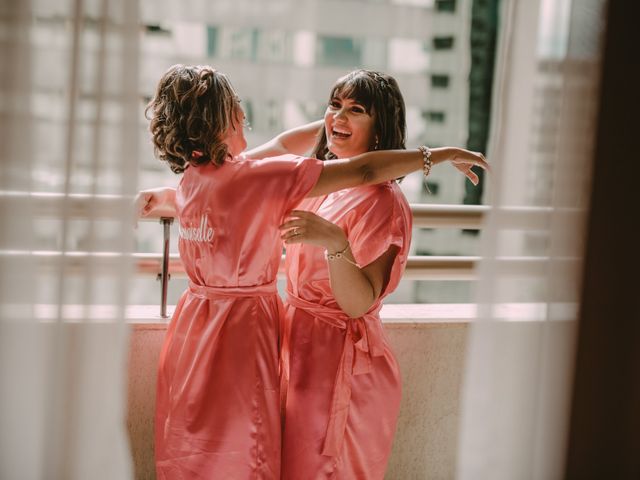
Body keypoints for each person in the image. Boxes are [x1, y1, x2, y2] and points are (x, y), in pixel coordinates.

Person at [139, 64, 487, 479]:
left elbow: (324, 157)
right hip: (261, 343)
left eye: (356, 109)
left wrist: (335, 126)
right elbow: (355, 167)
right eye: (334, 106)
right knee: (244, 454)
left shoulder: (195, 182)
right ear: (219, 120)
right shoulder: (252, 176)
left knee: (209, 452)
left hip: (220, 338)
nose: (243, 113)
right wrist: (435, 153)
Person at [276, 70, 417, 478]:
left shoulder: (384, 202)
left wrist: (336, 242)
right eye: (335, 105)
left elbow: (358, 303)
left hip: (345, 370)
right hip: (302, 355)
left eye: (356, 110)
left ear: (379, 131)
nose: (339, 116)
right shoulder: (328, 182)